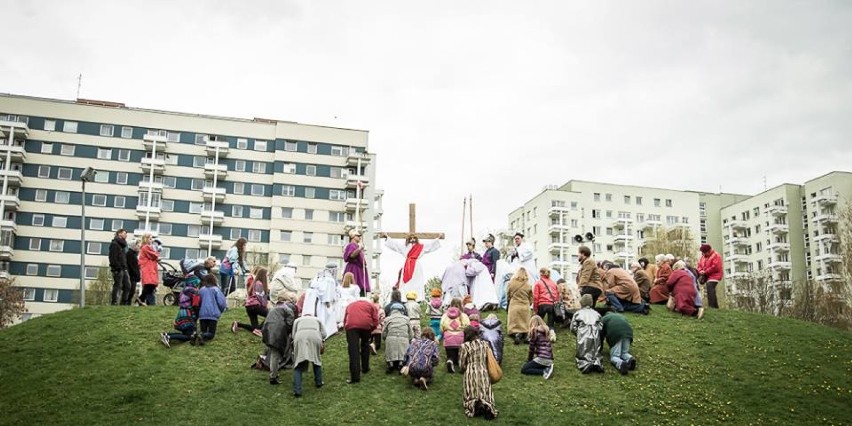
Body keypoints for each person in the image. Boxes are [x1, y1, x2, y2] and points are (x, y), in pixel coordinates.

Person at [383, 233, 443, 302]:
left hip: (416, 267)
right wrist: (387, 237)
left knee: (416, 283)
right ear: (408, 239)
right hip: (407, 266)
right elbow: (396, 245)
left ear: (416, 239)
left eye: (414, 238)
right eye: (410, 238)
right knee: (406, 285)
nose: (412, 240)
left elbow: (430, 245)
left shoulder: (421, 247)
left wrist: (438, 238)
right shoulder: (405, 247)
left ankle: (417, 298)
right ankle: (405, 299)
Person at [459, 326, 498, 420]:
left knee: (471, 391)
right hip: (483, 370)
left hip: (470, 371)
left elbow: (461, 364)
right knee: (484, 391)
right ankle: (487, 405)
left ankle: (474, 405)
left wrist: (464, 368)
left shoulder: (465, 346)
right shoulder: (485, 344)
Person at [263, 291, 298, 384]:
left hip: (267, 331)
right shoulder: (287, 310)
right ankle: (273, 376)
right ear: (286, 300)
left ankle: (274, 373)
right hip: (278, 333)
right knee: (275, 355)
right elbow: (290, 324)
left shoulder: (272, 308)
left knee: (273, 353)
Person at [343, 297, 379, 384]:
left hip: (351, 327)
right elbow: (375, 320)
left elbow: (345, 320)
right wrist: (371, 329)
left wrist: (346, 328)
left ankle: (355, 377)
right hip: (366, 325)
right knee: (365, 345)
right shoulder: (371, 305)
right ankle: (365, 368)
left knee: (353, 350)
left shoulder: (350, 305)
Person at [159, 275, 201, 348]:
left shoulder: (184, 290)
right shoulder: (194, 291)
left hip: (182, 312)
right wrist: (197, 314)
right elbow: (195, 304)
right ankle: (168, 336)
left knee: (186, 332)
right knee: (189, 336)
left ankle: (166, 334)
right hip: (188, 314)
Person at [291, 313, 326, 397]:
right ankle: (318, 382)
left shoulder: (297, 320)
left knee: (298, 364)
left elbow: (293, 335)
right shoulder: (317, 319)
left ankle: (297, 390)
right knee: (316, 360)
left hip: (300, 337)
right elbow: (324, 334)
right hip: (315, 336)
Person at [303, 262, 339, 340]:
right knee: (324, 317)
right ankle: (325, 333)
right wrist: (327, 301)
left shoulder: (319, 276)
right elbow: (326, 292)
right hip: (323, 302)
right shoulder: (329, 280)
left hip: (314, 300)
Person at [570, 294, 604, 373]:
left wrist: (578, 333)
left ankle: (585, 364)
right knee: (596, 350)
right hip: (595, 332)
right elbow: (601, 326)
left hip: (583, 332)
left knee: (583, 351)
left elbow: (572, 327)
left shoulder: (578, 313)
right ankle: (597, 362)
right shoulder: (596, 313)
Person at [232, 266, 269, 336]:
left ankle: (238, 324)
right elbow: (261, 297)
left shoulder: (254, 282)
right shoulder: (259, 283)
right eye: (266, 275)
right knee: (271, 314)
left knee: (255, 328)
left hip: (249, 306)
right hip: (255, 306)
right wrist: (265, 306)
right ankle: (260, 329)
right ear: (263, 275)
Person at [441, 298, 470, 373]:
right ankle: (460, 362)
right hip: (460, 338)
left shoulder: (445, 315)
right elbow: (468, 327)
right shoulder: (463, 316)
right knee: (460, 354)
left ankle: (450, 360)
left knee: (450, 354)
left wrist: (444, 333)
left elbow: (441, 327)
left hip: (448, 338)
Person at [521, 315, 555, 379]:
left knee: (524, 369)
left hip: (542, 358)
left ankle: (545, 371)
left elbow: (531, 349)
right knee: (533, 365)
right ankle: (548, 367)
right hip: (549, 359)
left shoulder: (534, 331)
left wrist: (529, 360)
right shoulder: (546, 331)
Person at [506, 267, 533, 345]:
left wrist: (509, 301)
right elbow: (531, 298)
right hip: (525, 305)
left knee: (515, 322)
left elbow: (508, 295)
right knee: (525, 323)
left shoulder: (511, 283)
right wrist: (529, 303)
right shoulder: (528, 285)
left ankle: (517, 334)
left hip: (514, 305)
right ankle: (526, 336)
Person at [197, 274, 227, 344]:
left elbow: (198, 302)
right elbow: (221, 302)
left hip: (202, 315)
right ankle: (202, 336)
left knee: (203, 331)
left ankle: (198, 336)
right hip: (213, 315)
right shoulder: (216, 290)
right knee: (211, 334)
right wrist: (220, 310)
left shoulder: (201, 290)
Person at [382, 308, 413, 373]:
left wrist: (385, 338)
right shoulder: (406, 319)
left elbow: (384, 331)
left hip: (391, 336)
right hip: (403, 337)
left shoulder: (387, 319)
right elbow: (411, 332)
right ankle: (401, 363)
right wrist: (409, 339)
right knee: (403, 350)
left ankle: (391, 364)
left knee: (389, 350)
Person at [533, 267, 560, 335]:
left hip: (542, 304)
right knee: (551, 324)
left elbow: (536, 297)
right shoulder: (553, 283)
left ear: (541, 273)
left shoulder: (538, 283)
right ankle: (552, 335)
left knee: (538, 322)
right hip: (551, 305)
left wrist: (535, 308)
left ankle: (536, 335)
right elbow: (557, 295)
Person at [136, 233, 160, 307]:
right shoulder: (146, 247)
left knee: (150, 285)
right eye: (150, 238)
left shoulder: (145, 247)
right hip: (148, 268)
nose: (151, 240)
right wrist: (157, 256)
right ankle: (142, 299)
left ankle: (143, 300)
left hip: (149, 268)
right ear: (146, 239)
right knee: (150, 284)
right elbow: (153, 254)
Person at [343, 229, 370, 296]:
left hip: (359, 270)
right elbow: (351, 255)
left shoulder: (357, 246)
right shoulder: (351, 245)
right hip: (354, 269)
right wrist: (359, 248)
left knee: (360, 290)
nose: (359, 237)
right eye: (357, 236)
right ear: (353, 236)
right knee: (354, 287)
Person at [108, 228, 131, 306]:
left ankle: (123, 303)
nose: (126, 235)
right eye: (124, 233)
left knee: (127, 285)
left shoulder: (123, 245)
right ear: (119, 234)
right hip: (118, 269)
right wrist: (117, 268)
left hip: (124, 268)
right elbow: (112, 257)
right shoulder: (114, 244)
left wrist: (125, 267)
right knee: (118, 285)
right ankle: (114, 302)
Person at [697, 244, 723, 309]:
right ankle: (715, 306)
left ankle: (712, 306)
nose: (703, 254)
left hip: (715, 275)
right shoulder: (703, 257)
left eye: (704, 252)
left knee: (710, 287)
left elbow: (715, 267)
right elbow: (699, 266)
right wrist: (701, 271)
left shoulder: (716, 256)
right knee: (710, 289)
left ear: (708, 251)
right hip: (707, 275)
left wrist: (705, 271)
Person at [124, 239, 141, 306]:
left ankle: (128, 303)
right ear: (133, 246)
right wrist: (136, 273)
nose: (139, 246)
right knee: (131, 290)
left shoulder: (134, 254)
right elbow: (131, 266)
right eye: (137, 245)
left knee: (132, 291)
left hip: (134, 276)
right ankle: (127, 303)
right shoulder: (129, 254)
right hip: (131, 276)